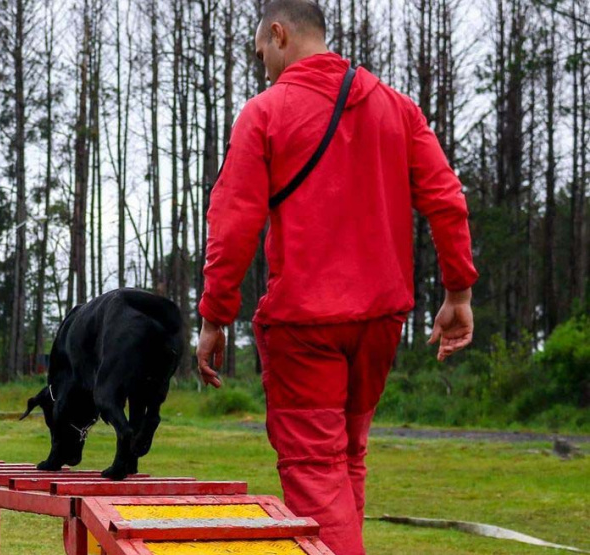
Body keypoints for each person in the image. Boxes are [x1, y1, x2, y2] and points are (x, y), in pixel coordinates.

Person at [195, 1, 478, 553]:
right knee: (347, 459)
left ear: (279, 35)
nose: (264, 69)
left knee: (315, 469)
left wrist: (214, 317)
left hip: (304, 326)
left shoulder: (264, 113)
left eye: (262, 55)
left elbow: (232, 225)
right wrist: (458, 292)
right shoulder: (398, 108)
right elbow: (446, 199)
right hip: (379, 321)